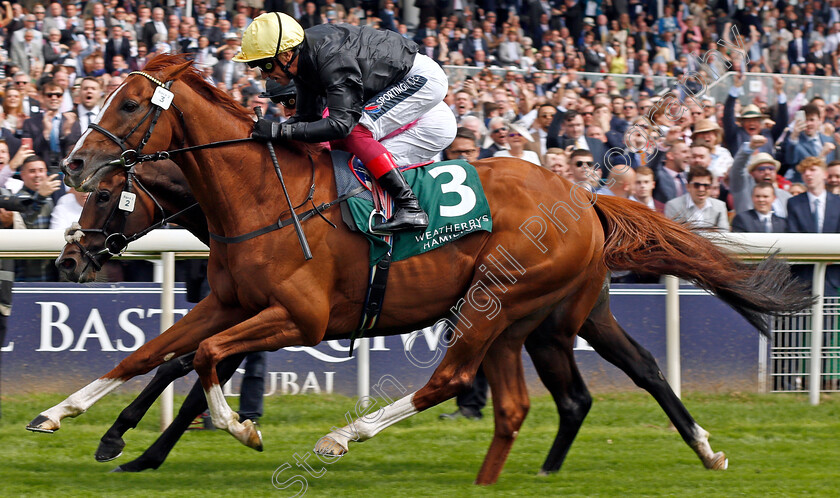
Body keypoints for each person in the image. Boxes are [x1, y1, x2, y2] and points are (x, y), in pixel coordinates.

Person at [236, 13, 456, 232]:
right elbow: (307, 118)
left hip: (421, 79)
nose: (264, 76)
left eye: (264, 66)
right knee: (344, 145)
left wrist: (279, 131)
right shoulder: (304, 60)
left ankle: (410, 207)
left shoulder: (331, 59)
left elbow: (342, 125)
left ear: (285, 55)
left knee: (355, 132)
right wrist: (270, 135)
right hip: (404, 79)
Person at [14, 156, 61, 282]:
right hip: (25, 279)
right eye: (32, 171)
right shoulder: (16, 199)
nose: (37, 175)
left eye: (41, 170)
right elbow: (25, 221)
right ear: (22, 175)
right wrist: (40, 197)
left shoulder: (53, 198)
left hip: (52, 277)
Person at [729, 135, 792, 217]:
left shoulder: (785, 196)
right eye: (761, 169)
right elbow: (737, 169)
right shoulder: (743, 189)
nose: (767, 172)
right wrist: (750, 147)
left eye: (771, 169)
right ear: (752, 173)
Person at [664, 166, 730, 230]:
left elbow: (724, 233)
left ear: (710, 188)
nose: (701, 189)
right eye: (696, 185)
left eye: (706, 185)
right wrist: (711, 231)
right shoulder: (673, 206)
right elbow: (674, 234)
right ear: (688, 187)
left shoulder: (720, 206)